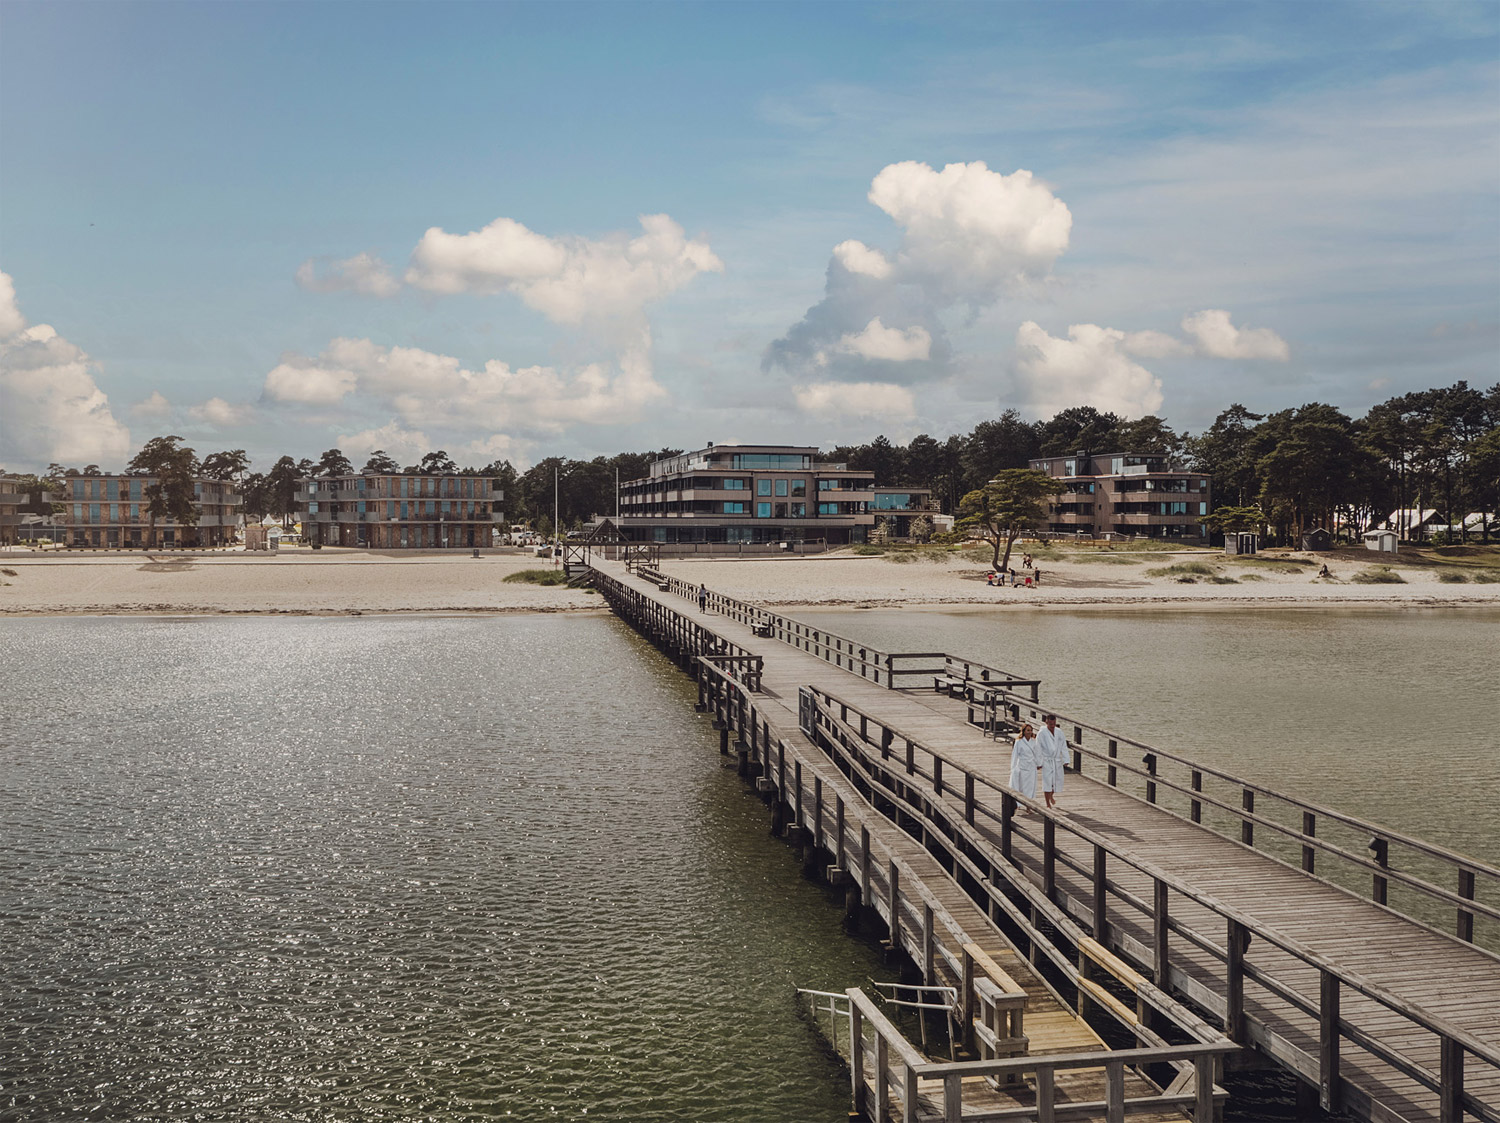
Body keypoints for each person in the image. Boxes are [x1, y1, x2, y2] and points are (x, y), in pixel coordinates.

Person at [1038, 713, 1068, 809]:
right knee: (1047, 781)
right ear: (1046, 722)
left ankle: (1051, 795)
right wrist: (1039, 762)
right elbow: (1038, 748)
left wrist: (1066, 759)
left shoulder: (1059, 732)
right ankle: (1047, 803)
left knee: (1057, 780)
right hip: (1047, 760)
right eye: (1050, 724)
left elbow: (1063, 746)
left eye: (1054, 724)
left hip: (1056, 760)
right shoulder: (1042, 733)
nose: (1052, 726)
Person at [1009, 722, 1040, 810]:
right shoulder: (1019, 742)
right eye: (1028, 730)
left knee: (1030, 787)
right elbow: (1015, 755)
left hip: (1031, 766)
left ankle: (1028, 806)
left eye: (1031, 730)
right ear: (1023, 731)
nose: (1029, 732)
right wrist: (1013, 767)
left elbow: (1037, 753)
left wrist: (1038, 763)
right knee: (1021, 786)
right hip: (1022, 766)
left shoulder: (1034, 741)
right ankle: (1018, 804)